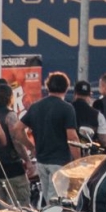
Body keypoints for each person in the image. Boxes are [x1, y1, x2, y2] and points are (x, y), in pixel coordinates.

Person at [22, 72, 81, 204]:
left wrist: (31, 147)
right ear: (66, 87)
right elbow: (72, 137)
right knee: (57, 201)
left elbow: (17, 129)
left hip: (42, 160)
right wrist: (78, 161)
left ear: (47, 86)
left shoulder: (36, 106)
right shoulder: (67, 108)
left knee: (49, 200)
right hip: (60, 162)